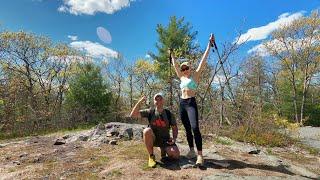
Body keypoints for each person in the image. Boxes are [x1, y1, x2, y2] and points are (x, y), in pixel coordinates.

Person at [170, 34, 215, 166]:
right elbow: (175, 65)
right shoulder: (181, 77)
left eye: (186, 68)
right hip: (182, 103)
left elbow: (203, 59)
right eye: (183, 68)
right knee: (187, 128)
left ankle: (200, 155)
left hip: (191, 103)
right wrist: (172, 54)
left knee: (195, 128)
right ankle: (191, 151)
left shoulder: (195, 75)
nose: (184, 70)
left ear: (190, 68)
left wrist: (209, 44)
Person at [130, 93, 180, 168]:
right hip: (153, 139)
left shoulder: (169, 114)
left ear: (163, 101)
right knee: (146, 131)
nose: (158, 101)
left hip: (165, 140)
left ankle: (163, 149)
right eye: (156, 99)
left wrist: (174, 138)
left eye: (160, 99)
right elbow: (133, 115)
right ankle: (151, 156)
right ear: (153, 101)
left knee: (175, 155)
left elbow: (174, 128)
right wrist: (139, 102)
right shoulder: (150, 111)